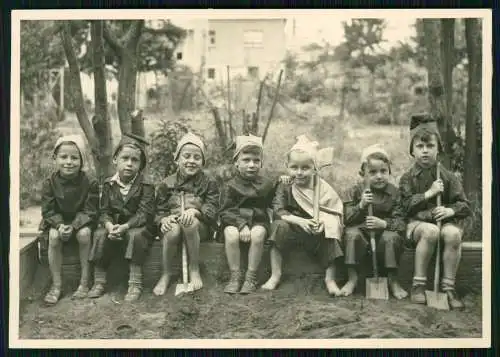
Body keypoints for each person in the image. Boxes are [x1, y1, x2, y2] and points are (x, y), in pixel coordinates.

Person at [399, 114, 471, 309]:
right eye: (420, 147)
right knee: (431, 231)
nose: (425, 151)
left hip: (443, 223)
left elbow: (464, 205)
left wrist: (449, 210)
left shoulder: (447, 176)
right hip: (416, 225)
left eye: (430, 146)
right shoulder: (408, 178)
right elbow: (405, 206)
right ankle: (418, 285)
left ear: (438, 149)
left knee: (453, 233)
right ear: (412, 150)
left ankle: (448, 287)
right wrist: (429, 194)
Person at [262, 135, 344, 295]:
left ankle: (330, 279)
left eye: (305, 168)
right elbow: (278, 210)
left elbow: (333, 212)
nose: (299, 173)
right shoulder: (285, 186)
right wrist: (300, 221)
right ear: (287, 166)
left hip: (314, 233)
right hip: (292, 230)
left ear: (314, 168)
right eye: (294, 167)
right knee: (278, 226)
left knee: (331, 229)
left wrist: (322, 223)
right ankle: (275, 274)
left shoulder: (322, 188)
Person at [88, 133, 155, 302]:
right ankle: (99, 281)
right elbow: (104, 211)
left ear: (140, 166)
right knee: (99, 234)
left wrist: (125, 227)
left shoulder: (146, 186)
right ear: (115, 160)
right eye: (125, 158)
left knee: (136, 236)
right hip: (115, 226)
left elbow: (144, 213)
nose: (129, 164)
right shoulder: (109, 184)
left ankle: (135, 282)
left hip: (138, 226)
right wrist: (109, 225)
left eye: (135, 160)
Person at [153, 132, 219, 295]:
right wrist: (164, 219)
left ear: (203, 161)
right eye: (186, 156)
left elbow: (212, 208)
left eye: (197, 157)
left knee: (189, 223)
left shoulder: (209, 183)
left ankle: (194, 268)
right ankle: (166, 273)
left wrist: (195, 211)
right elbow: (157, 210)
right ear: (177, 159)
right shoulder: (166, 184)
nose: (191, 161)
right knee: (173, 229)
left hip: (199, 229)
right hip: (173, 227)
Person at [38, 135, 99, 304]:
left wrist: (73, 226)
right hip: (56, 222)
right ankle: (56, 285)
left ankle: (84, 283)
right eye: (63, 157)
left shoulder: (90, 182)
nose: (69, 162)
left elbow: (90, 210)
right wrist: (59, 225)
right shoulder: (49, 183)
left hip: (82, 222)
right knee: (53, 237)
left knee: (85, 235)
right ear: (55, 158)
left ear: (82, 160)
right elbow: (48, 210)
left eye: (74, 157)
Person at [341, 144, 407, 298]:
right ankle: (352, 278)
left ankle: (392, 279)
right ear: (362, 174)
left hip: (384, 236)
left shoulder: (394, 193)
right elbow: (346, 218)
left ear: (389, 171)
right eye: (372, 172)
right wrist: (361, 205)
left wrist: (384, 224)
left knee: (391, 238)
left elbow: (401, 222)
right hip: (362, 235)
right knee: (351, 235)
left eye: (383, 171)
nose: (379, 176)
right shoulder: (355, 191)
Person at [219, 135, 276, 294]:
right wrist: (241, 225)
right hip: (234, 222)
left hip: (258, 222)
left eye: (256, 160)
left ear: (261, 163)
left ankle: (251, 277)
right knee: (230, 234)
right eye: (246, 160)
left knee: (258, 234)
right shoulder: (230, 186)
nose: (251, 165)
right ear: (236, 163)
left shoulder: (266, 184)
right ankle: (235, 276)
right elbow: (225, 210)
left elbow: (275, 203)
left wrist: (285, 183)